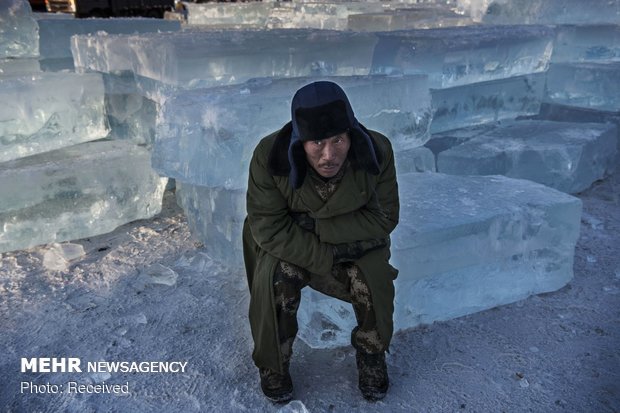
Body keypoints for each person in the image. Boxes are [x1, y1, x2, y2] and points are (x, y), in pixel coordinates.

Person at [242, 81, 399, 403]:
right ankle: (274, 362)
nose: (329, 155)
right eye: (316, 143)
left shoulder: (377, 150)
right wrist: (325, 257)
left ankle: (372, 353)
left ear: (350, 133)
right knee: (275, 279)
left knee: (374, 280)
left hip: (356, 245)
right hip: (289, 244)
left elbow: (384, 219)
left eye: (338, 140)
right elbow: (269, 227)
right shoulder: (269, 156)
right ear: (300, 140)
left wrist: (316, 225)